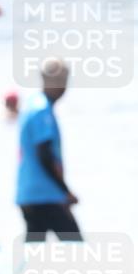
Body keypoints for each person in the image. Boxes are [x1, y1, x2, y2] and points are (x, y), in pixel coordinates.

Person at [16, 58, 83, 241]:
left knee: (34, 252)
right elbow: (44, 155)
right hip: (45, 194)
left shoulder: (33, 104)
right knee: (76, 248)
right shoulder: (42, 110)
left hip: (28, 193)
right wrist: (64, 191)